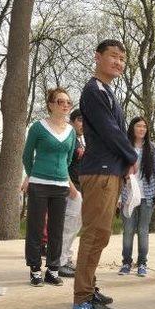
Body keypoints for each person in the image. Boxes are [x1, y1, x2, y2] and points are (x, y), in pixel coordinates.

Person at [72, 39, 138, 309]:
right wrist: (132, 157)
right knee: (94, 234)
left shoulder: (106, 91)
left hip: (109, 170)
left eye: (122, 58)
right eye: (113, 56)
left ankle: (90, 287)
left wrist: (123, 162)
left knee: (101, 234)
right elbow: (111, 131)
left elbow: (114, 131)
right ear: (97, 57)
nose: (118, 62)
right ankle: (82, 299)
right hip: (99, 171)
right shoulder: (93, 90)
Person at [21, 87, 77, 287]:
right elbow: (27, 155)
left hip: (61, 185)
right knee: (35, 229)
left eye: (68, 102)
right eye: (60, 101)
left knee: (57, 229)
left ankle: (53, 269)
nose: (65, 105)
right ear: (51, 104)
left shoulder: (71, 131)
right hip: (39, 184)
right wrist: (33, 174)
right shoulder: (38, 127)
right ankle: (35, 269)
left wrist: (64, 177)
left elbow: (69, 158)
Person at [118, 116, 155, 277]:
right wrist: (119, 197)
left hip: (147, 195)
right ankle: (126, 263)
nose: (142, 129)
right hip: (128, 194)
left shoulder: (153, 148)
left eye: (144, 126)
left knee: (143, 230)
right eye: (138, 126)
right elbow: (118, 172)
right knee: (128, 230)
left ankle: (142, 263)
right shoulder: (124, 147)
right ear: (132, 128)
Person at [58, 109, 86, 278]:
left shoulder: (78, 140)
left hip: (79, 188)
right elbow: (63, 163)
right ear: (73, 121)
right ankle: (60, 263)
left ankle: (66, 258)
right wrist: (72, 188)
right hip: (71, 189)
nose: (83, 125)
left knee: (75, 226)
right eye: (81, 121)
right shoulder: (69, 137)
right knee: (68, 226)